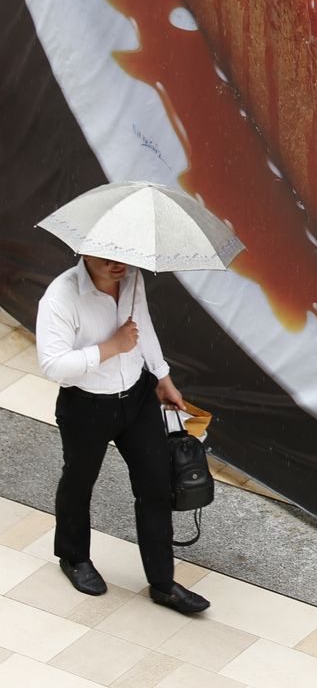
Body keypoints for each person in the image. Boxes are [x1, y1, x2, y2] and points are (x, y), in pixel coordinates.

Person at [35, 254, 210, 614]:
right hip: (86, 405)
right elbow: (54, 366)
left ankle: (163, 583)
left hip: (139, 396)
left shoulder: (132, 279)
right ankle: (73, 558)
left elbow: (141, 323)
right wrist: (111, 348)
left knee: (156, 486)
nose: (119, 265)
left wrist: (162, 378)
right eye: (108, 258)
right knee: (80, 481)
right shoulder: (60, 298)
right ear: (85, 251)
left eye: (124, 258)